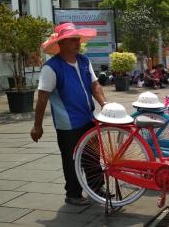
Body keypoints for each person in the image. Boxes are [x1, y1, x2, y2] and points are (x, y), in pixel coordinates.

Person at [31, 23, 107, 206]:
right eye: (72, 39)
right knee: (71, 159)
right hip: (68, 124)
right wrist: (37, 126)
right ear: (61, 43)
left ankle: (96, 188)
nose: (77, 42)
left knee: (92, 156)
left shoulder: (83, 61)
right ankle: (73, 194)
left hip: (88, 117)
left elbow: (94, 85)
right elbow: (42, 98)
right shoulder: (51, 67)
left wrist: (104, 104)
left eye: (77, 39)